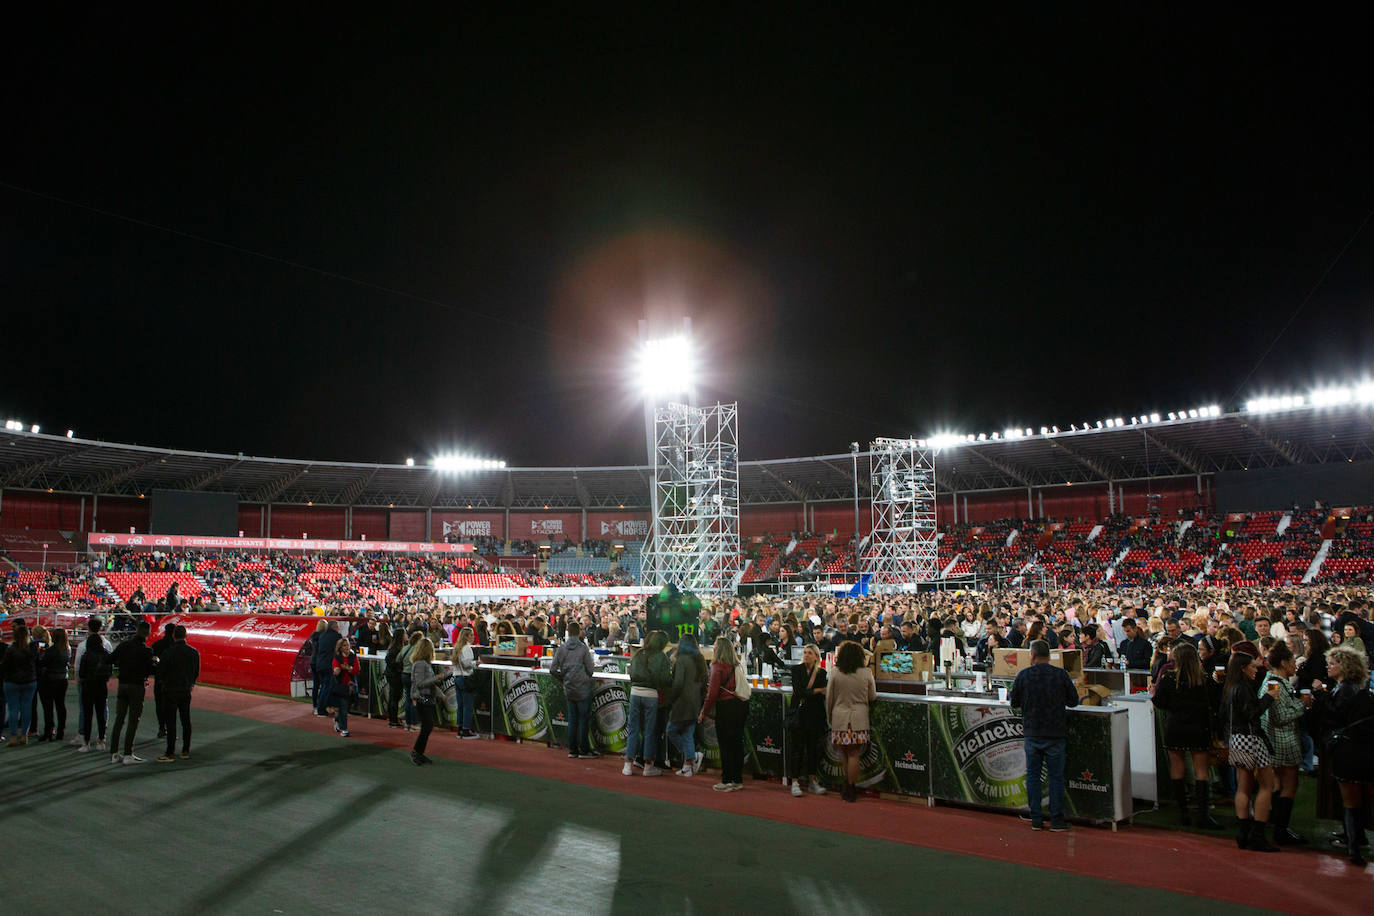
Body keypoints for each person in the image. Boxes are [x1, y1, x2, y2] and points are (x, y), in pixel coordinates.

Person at [1310, 644, 1374, 866]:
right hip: (1360, 750)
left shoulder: (1345, 690)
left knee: (1351, 801)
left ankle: (1353, 847)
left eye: (1333, 663)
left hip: (1348, 751)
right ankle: (1355, 838)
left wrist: (1319, 695)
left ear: (1344, 667)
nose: (1329, 666)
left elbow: (1334, 716)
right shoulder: (1356, 689)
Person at [1009, 639, 1079, 831]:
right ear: (1049, 656)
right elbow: (1074, 701)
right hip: (1055, 732)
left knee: (1033, 776)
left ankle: (1036, 819)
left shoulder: (1023, 675)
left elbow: (1013, 702)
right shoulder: (1060, 674)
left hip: (1032, 731)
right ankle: (1056, 820)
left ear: (1031, 655)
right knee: (1056, 777)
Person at [1150, 641, 1221, 828]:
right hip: (1199, 727)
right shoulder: (1203, 680)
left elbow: (1159, 703)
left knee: (1177, 767)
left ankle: (1183, 812)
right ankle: (1203, 814)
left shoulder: (1168, 678)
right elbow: (1214, 702)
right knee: (1201, 771)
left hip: (1176, 726)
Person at [1222, 642, 1279, 852]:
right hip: (1251, 738)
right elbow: (1252, 713)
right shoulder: (1242, 689)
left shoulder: (1229, 688)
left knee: (1243, 786)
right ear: (1244, 668)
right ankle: (1257, 834)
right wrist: (1268, 699)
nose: (1256, 670)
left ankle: (1243, 832)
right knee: (1267, 785)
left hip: (1235, 739)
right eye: (1253, 667)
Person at [1261, 643, 1308, 845]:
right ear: (1283, 662)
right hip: (1282, 740)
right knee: (1289, 785)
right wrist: (1302, 705)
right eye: (1292, 662)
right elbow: (1280, 716)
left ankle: (1277, 824)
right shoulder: (1275, 684)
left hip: (1274, 740)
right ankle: (1281, 830)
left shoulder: (1270, 682)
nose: (1295, 666)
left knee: (1278, 785)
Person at [826, 641, 876, 803]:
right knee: (854, 754)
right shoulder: (866, 673)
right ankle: (851, 786)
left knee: (844, 754)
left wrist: (830, 718)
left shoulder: (834, 673)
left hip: (840, 718)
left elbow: (829, 698)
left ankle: (845, 785)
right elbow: (872, 696)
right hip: (859, 719)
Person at [700, 637, 748, 792]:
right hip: (740, 706)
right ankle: (737, 779)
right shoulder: (736, 665)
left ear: (718, 649)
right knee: (737, 743)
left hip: (725, 707)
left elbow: (712, 693)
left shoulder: (717, 666)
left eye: (715, 645)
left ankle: (727, 779)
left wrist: (703, 712)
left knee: (725, 745)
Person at [108, 621, 155, 764]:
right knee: (133, 720)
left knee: (119, 719)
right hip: (137, 686)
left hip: (122, 684)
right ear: (147, 633)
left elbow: (110, 659)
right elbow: (150, 670)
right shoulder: (147, 651)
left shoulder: (124, 646)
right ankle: (128, 753)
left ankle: (114, 753)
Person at [624, 630, 671, 776]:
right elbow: (664, 679)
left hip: (635, 693)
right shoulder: (662, 657)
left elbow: (631, 674)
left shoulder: (639, 654)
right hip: (651, 694)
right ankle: (648, 766)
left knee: (633, 729)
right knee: (649, 731)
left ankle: (627, 765)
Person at [786, 644, 829, 797]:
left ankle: (812, 780)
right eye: (805, 652)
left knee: (813, 749)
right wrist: (816, 690)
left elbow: (823, 692)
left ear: (816, 656)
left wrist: (811, 692)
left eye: (810, 653)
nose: (806, 655)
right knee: (796, 749)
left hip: (815, 715)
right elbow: (798, 691)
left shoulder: (822, 673)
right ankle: (795, 781)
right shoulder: (796, 670)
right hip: (799, 714)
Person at [551, 621, 595, 757]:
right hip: (582, 687)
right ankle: (584, 749)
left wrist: (563, 678)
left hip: (569, 687)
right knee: (583, 720)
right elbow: (590, 669)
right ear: (579, 632)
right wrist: (585, 676)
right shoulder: (583, 648)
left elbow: (553, 669)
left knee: (572, 718)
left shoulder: (562, 648)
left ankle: (572, 750)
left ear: (568, 632)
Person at [664, 633, 706, 776]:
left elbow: (678, 683)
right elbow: (704, 682)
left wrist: (671, 698)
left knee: (671, 730)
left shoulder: (681, 660)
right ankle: (688, 764)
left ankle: (691, 757)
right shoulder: (700, 659)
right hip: (695, 702)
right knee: (688, 734)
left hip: (682, 702)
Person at [157, 625, 200, 762]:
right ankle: (185, 750)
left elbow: (161, 671)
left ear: (174, 636)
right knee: (185, 720)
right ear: (186, 635)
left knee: (171, 721)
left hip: (170, 689)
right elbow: (196, 672)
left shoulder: (168, 652)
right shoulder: (193, 652)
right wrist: (190, 683)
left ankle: (170, 752)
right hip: (185, 689)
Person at [76, 618, 114, 753]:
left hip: (87, 686)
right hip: (101, 686)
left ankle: (86, 742)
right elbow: (110, 670)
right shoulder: (106, 653)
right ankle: (101, 740)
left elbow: (80, 672)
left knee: (87, 714)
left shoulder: (85, 653)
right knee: (101, 713)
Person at [409, 637, 445, 765]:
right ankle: (416, 752)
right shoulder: (420, 664)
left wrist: (441, 694)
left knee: (427, 726)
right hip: (421, 697)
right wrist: (437, 678)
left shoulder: (424, 664)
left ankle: (419, 753)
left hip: (427, 697)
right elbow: (420, 684)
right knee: (427, 726)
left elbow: (429, 684)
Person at [3, 621, 39, 746]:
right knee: (26, 708)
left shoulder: (11, 649)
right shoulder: (32, 648)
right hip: (29, 681)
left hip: (12, 682)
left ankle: (13, 736)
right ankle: (24, 734)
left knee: (13, 709)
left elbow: (5, 666)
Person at [37, 627, 70, 743]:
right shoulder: (67, 649)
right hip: (62, 679)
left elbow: (43, 663)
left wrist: (40, 654)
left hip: (50, 680)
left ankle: (48, 731)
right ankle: (61, 730)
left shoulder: (52, 650)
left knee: (48, 707)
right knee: (60, 706)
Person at [451, 626, 479, 739]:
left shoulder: (458, 647)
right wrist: (475, 663)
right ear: (466, 637)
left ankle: (460, 729)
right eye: (471, 635)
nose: (473, 637)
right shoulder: (466, 648)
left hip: (457, 677)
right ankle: (466, 729)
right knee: (467, 705)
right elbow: (467, 663)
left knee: (460, 705)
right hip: (465, 678)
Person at [312, 620, 343, 717]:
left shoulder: (322, 636)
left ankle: (320, 707)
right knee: (326, 687)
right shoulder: (337, 637)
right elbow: (339, 650)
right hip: (329, 664)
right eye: (337, 626)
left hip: (320, 664)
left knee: (322, 687)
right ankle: (322, 709)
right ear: (334, 627)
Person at [331, 638, 360, 738]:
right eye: (344, 645)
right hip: (341, 686)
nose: (347, 647)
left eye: (347, 645)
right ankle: (344, 729)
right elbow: (335, 669)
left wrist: (348, 669)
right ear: (340, 647)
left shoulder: (353, 656)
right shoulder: (337, 657)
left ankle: (337, 719)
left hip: (351, 686)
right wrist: (338, 670)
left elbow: (357, 670)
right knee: (343, 707)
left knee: (347, 707)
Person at [150, 622, 175, 739]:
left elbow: (151, 662)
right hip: (173, 681)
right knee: (172, 706)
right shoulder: (176, 646)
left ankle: (162, 728)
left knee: (159, 705)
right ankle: (171, 730)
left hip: (160, 679)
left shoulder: (157, 645)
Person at [383, 625, 406, 728]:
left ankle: (392, 719)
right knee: (394, 697)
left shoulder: (395, 647)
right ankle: (393, 720)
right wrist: (399, 666)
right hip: (394, 675)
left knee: (394, 697)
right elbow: (388, 659)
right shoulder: (395, 648)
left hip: (392, 674)